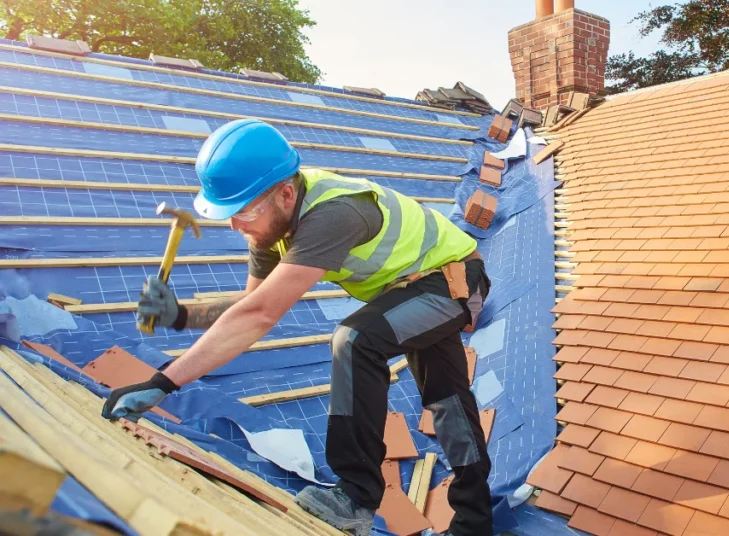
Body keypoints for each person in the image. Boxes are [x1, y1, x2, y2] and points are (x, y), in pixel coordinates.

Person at [100, 119, 494, 536]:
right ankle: (475, 525)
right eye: (230, 214)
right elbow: (250, 305)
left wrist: (162, 382)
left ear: (286, 194)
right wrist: (181, 316)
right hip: (411, 289)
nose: (237, 225)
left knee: (356, 340)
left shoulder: (333, 215)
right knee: (448, 400)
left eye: (245, 211)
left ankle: (357, 496)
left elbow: (259, 316)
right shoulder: (269, 229)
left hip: (454, 282)